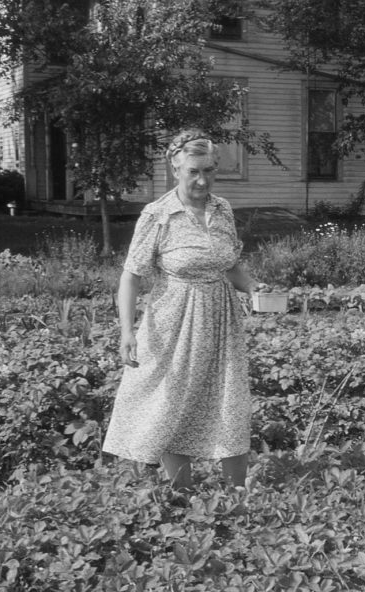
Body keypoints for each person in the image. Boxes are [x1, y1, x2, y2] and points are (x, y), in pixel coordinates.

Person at [103, 130, 255, 491]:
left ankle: (237, 496)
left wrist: (253, 286)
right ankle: (182, 495)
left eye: (210, 170)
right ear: (175, 168)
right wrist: (127, 332)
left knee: (230, 402)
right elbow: (131, 276)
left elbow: (228, 265)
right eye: (193, 171)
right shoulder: (158, 215)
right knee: (173, 403)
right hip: (174, 322)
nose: (203, 179)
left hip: (221, 323)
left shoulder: (222, 209)